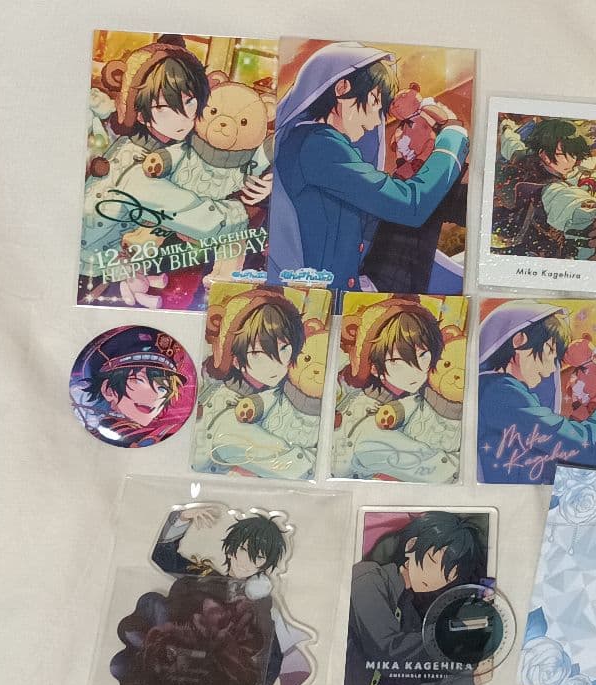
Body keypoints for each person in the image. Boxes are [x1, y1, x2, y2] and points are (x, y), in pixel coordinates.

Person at [269, 42, 469, 293]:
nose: (376, 121)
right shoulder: (319, 145)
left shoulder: (316, 142)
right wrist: (453, 136)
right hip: (322, 295)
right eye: (375, 101)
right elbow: (410, 206)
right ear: (342, 88)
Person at [81, 36, 257, 308]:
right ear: (140, 114)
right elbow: (209, 221)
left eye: (190, 101)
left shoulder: (151, 143)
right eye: (164, 107)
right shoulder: (139, 173)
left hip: (116, 263)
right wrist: (239, 210)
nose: (184, 116)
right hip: (92, 276)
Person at [149, 503, 313, 685]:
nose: (245, 561)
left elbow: (272, 651)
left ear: (265, 564)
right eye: (243, 549)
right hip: (181, 670)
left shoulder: (260, 603)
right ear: (232, 547)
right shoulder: (204, 577)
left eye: (257, 557)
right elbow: (163, 557)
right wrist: (182, 518)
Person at [344, 512, 489, 685]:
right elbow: (388, 653)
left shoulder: (409, 614)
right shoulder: (367, 578)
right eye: (434, 562)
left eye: (448, 576)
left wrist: (472, 680)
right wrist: (451, 634)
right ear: (411, 546)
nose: (436, 578)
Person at [191, 286, 318, 479]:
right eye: (259, 353)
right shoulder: (223, 407)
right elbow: (297, 468)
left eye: (284, 348)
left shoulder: (287, 392)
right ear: (235, 359)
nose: (276, 363)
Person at [331, 298, 460, 482]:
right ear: (374, 368)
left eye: (423, 355)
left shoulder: (424, 399)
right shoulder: (366, 416)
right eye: (398, 362)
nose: (416, 369)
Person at [476, 301, 596, 484]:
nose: (551, 368)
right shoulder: (500, 392)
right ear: (519, 340)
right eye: (550, 350)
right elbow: (586, 450)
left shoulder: (498, 389)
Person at [491, 117, 596, 260]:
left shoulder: (527, 156)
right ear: (544, 155)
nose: (572, 160)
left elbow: (511, 145)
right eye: (564, 154)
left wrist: (506, 128)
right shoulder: (551, 188)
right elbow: (565, 198)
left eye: (574, 153)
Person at [77, 326, 188, 447]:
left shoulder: (164, 433)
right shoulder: (98, 429)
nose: (155, 396)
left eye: (163, 388)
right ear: (108, 390)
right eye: (139, 380)